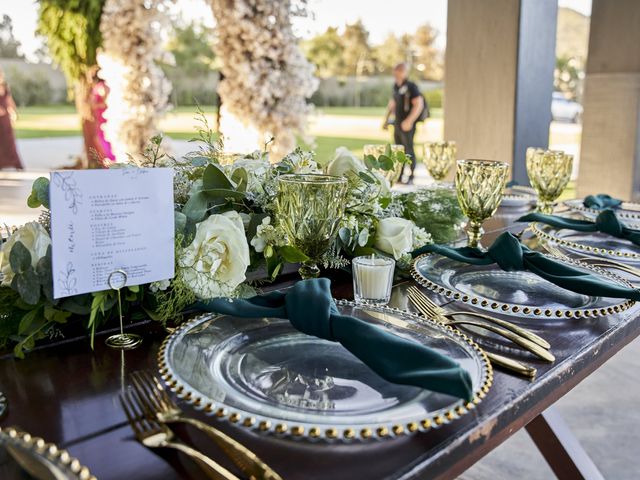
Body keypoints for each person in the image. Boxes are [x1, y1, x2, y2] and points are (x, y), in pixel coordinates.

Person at [383, 63, 424, 184]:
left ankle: (411, 176)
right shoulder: (396, 86)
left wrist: (409, 121)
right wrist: (386, 119)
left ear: (404, 72)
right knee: (398, 150)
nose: (396, 73)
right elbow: (392, 103)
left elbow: (419, 104)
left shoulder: (411, 86)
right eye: (395, 70)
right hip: (397, 123)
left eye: (399, 70)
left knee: (409, 150)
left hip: (407, 125)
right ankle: (399, 175)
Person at [0, 68, 23, 170]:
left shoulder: (5, 87)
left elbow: (9, 101)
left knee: (9, 142)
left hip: (5, 120)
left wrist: (14, 113)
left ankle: (17, 164)